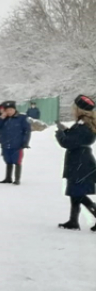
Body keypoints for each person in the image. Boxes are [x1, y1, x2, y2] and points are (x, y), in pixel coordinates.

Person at [56, 95, 96, 231]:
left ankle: (76, 220)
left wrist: (60, 134)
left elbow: (68, 142)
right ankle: (73, 220)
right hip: (80, 161)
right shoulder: (83, 124)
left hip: (80, 162)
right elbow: (76, 138)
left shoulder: (84, 126)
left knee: (78, 193)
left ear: (79, 110)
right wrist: (66, 130)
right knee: (75, 192)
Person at [0, 100, 31, 185]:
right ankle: (8, 178)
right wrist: (1, 118)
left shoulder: (22, 118)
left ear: (15, 110)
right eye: (7, 110)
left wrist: (25, 142)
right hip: (5, 143)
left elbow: (27, 131)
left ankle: (17, 178)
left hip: (17, 144)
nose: (9, 112)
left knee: (17, 161)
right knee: (8, 160)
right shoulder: (4, 119)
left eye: (11, 110)